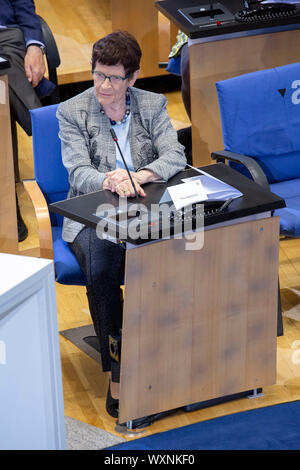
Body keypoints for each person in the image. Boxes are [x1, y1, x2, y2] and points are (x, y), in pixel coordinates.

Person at [56, 31, 187, 418]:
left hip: (148, 211)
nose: (103, 85)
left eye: (113, 77)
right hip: (92, 214)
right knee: (103, 263)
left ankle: (175, 356)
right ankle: (120, 370)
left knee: (189, 249)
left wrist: (142, 174)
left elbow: (174, 154)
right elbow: (78, 171)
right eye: (98, 74)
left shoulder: (152, 104)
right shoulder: (73, 111)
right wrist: (111, 179)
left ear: (133, 78)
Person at [0, 0, 47, 241]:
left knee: (2, 84)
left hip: (6, 35)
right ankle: (52, 139)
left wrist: (35, 45)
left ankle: (5, 208)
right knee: (0, 91)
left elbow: (23, 5)